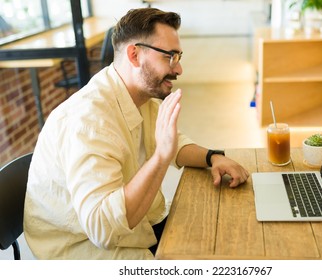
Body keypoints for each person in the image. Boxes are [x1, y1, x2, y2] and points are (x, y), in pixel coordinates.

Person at [23, 8, 249, 260]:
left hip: (128, 229)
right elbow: (103, 229)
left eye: (179, 56)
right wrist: (160, 157)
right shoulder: (89, 120)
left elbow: (173, 143)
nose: (179, 69)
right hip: (79, 248)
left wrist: (212, 157)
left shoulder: (138, 96)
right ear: (134, 54)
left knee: (217, 232)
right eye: (170, 57)